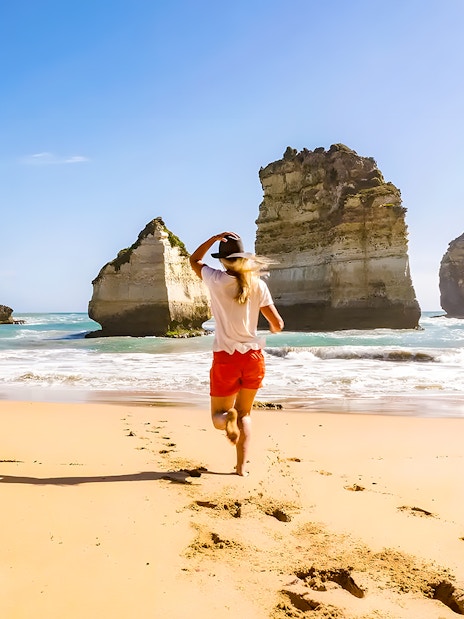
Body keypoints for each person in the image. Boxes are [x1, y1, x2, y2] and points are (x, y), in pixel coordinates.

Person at [189, 232, 284, 476]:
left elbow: (194, 260)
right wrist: (269, 328)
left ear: (222, 260)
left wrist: (213, 238)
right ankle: (241, 468)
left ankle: (226, 418)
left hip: (226, 357)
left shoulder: (215, 279)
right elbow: (278, 324)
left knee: (218, 417)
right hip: (253, 357)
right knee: (246, 414)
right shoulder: (258, 285)